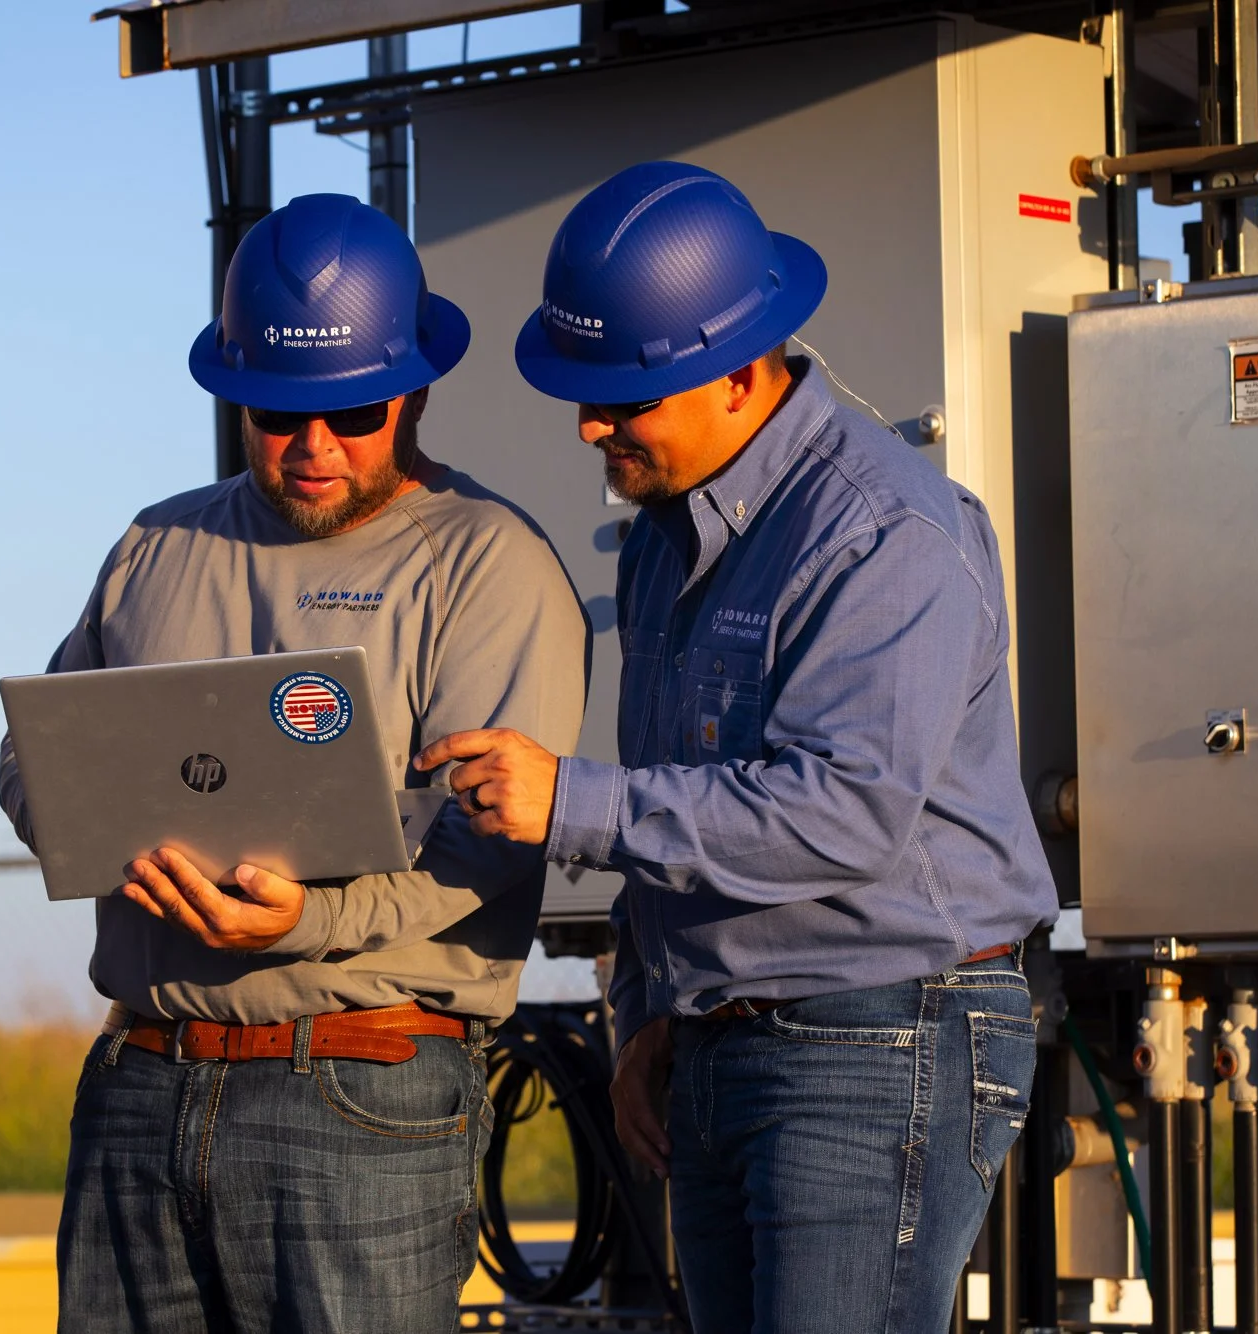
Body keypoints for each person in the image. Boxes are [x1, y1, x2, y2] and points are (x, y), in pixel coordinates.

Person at [415, 161, 1058, 1331]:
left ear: (741, 373)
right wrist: (646, 1006)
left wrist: (568, 801)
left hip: (880, 1031)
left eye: (622, 396)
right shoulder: (661, 540)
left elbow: (842, 812)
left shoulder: (884, 530)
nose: (588, 424)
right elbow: (692, 797)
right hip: (722, 1034)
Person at [0, 192, 589, 1333]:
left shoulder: (486, 565)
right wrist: (105, 830)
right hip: (143, 1080)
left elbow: (493, 845)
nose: (311, 446)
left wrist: (298, 924)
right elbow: (38, 757)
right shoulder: (155, 544)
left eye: (353, 411)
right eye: (274, 414)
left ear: (413, 387)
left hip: (357, 1092)